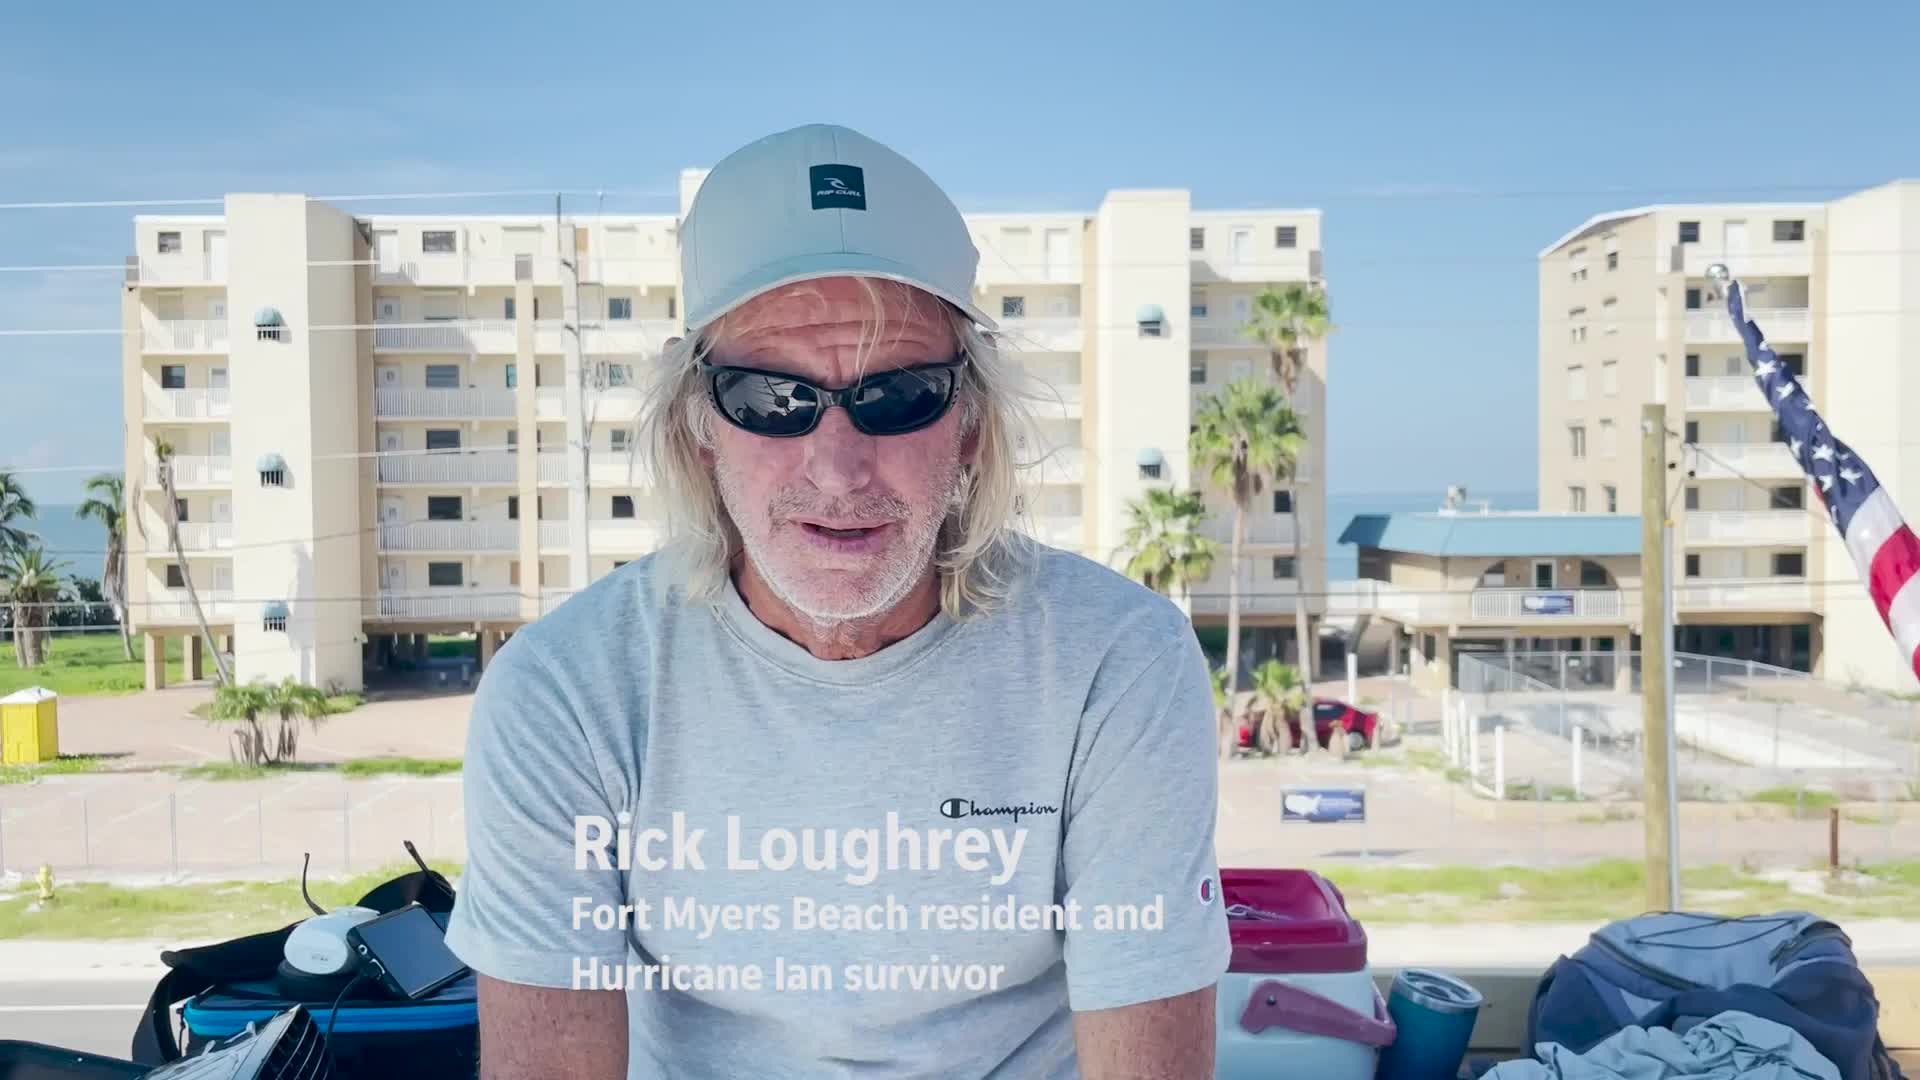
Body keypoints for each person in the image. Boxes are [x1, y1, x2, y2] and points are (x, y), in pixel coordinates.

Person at [444, 122, 1229, 1079]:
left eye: (897, 397)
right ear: (700, 428)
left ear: (972, 426)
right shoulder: (566, 691)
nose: (839, 467)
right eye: (772, 400)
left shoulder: (1117, 661)